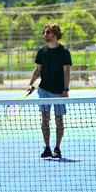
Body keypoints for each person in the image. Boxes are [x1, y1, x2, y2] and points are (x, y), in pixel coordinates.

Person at [28, 22, 72, 159]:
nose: (45, 35)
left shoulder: (64, 52)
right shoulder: (42, 51)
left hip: (59, 91)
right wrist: (30, 84)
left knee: (59, 120)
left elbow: (67, 72)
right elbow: (37, 70)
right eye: (44, 32)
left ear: (55, 34)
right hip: (44, 90)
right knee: (45, 120)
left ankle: (57, 148)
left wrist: (65, 90)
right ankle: (47, 147)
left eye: (47, 32)